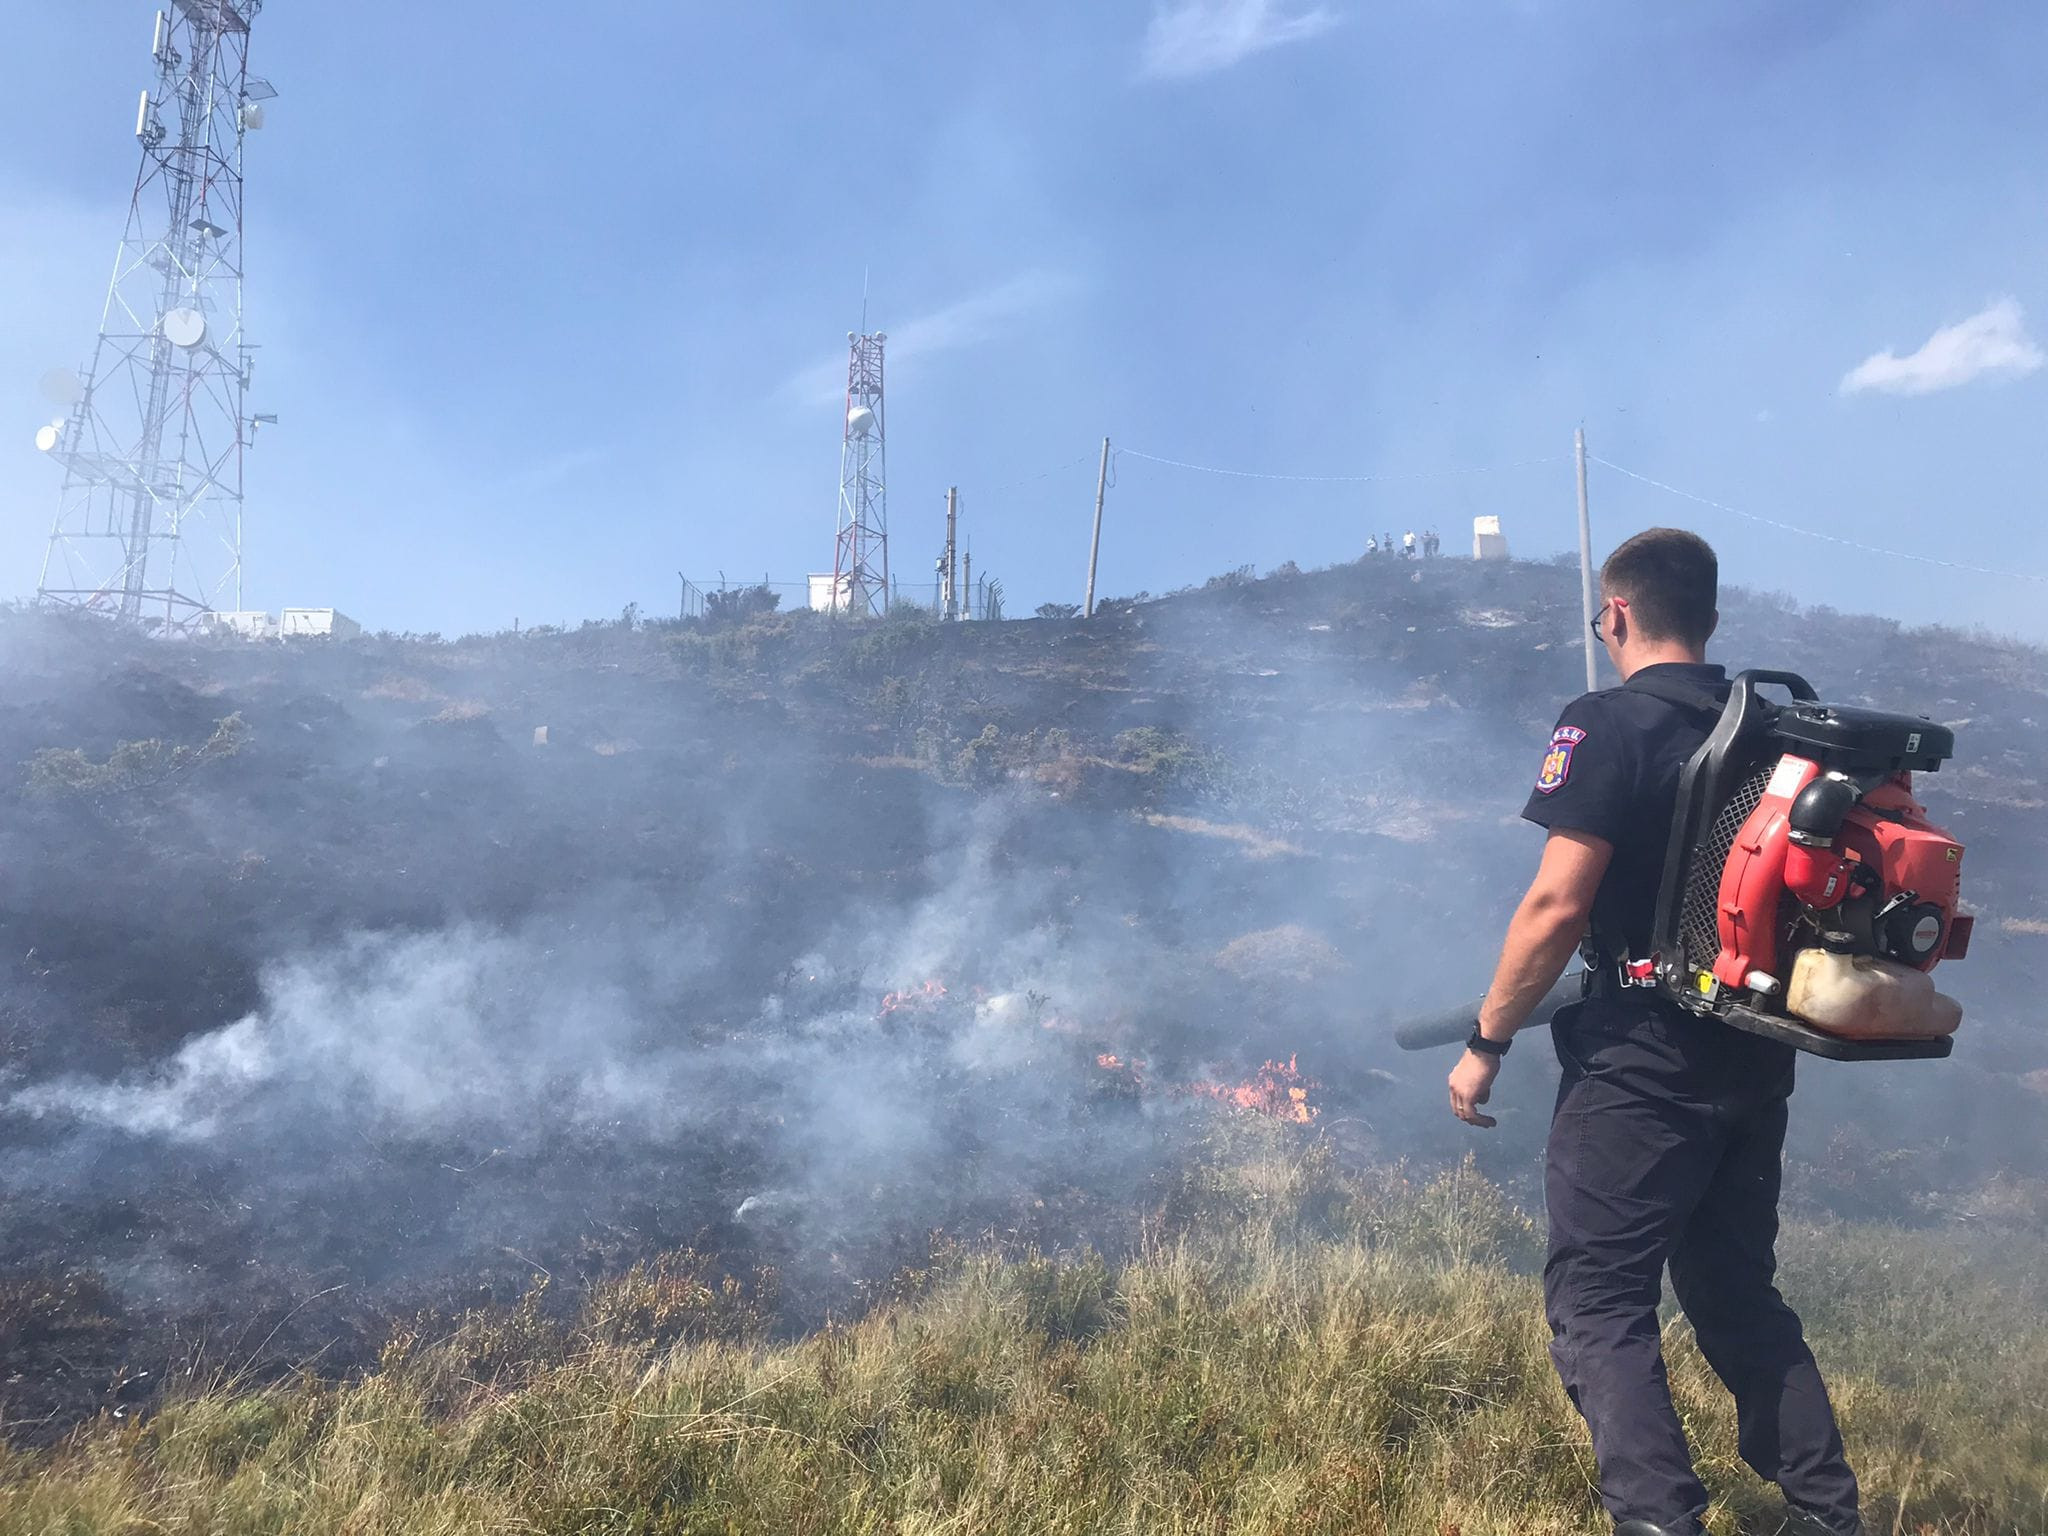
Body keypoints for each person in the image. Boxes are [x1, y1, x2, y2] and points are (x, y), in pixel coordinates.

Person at [1446, 528, 1862, 1536]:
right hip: (1753, 1048)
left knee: (1597, 1301)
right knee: (1731, 1292)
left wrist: (1486, 1040)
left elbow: (1554, 905)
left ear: (1616, 614)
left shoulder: (1604, 723)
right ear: (1709, 620)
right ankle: (1825, 1513)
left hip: (1641, 1058)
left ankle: (1658, 1518)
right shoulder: (1778, 733)